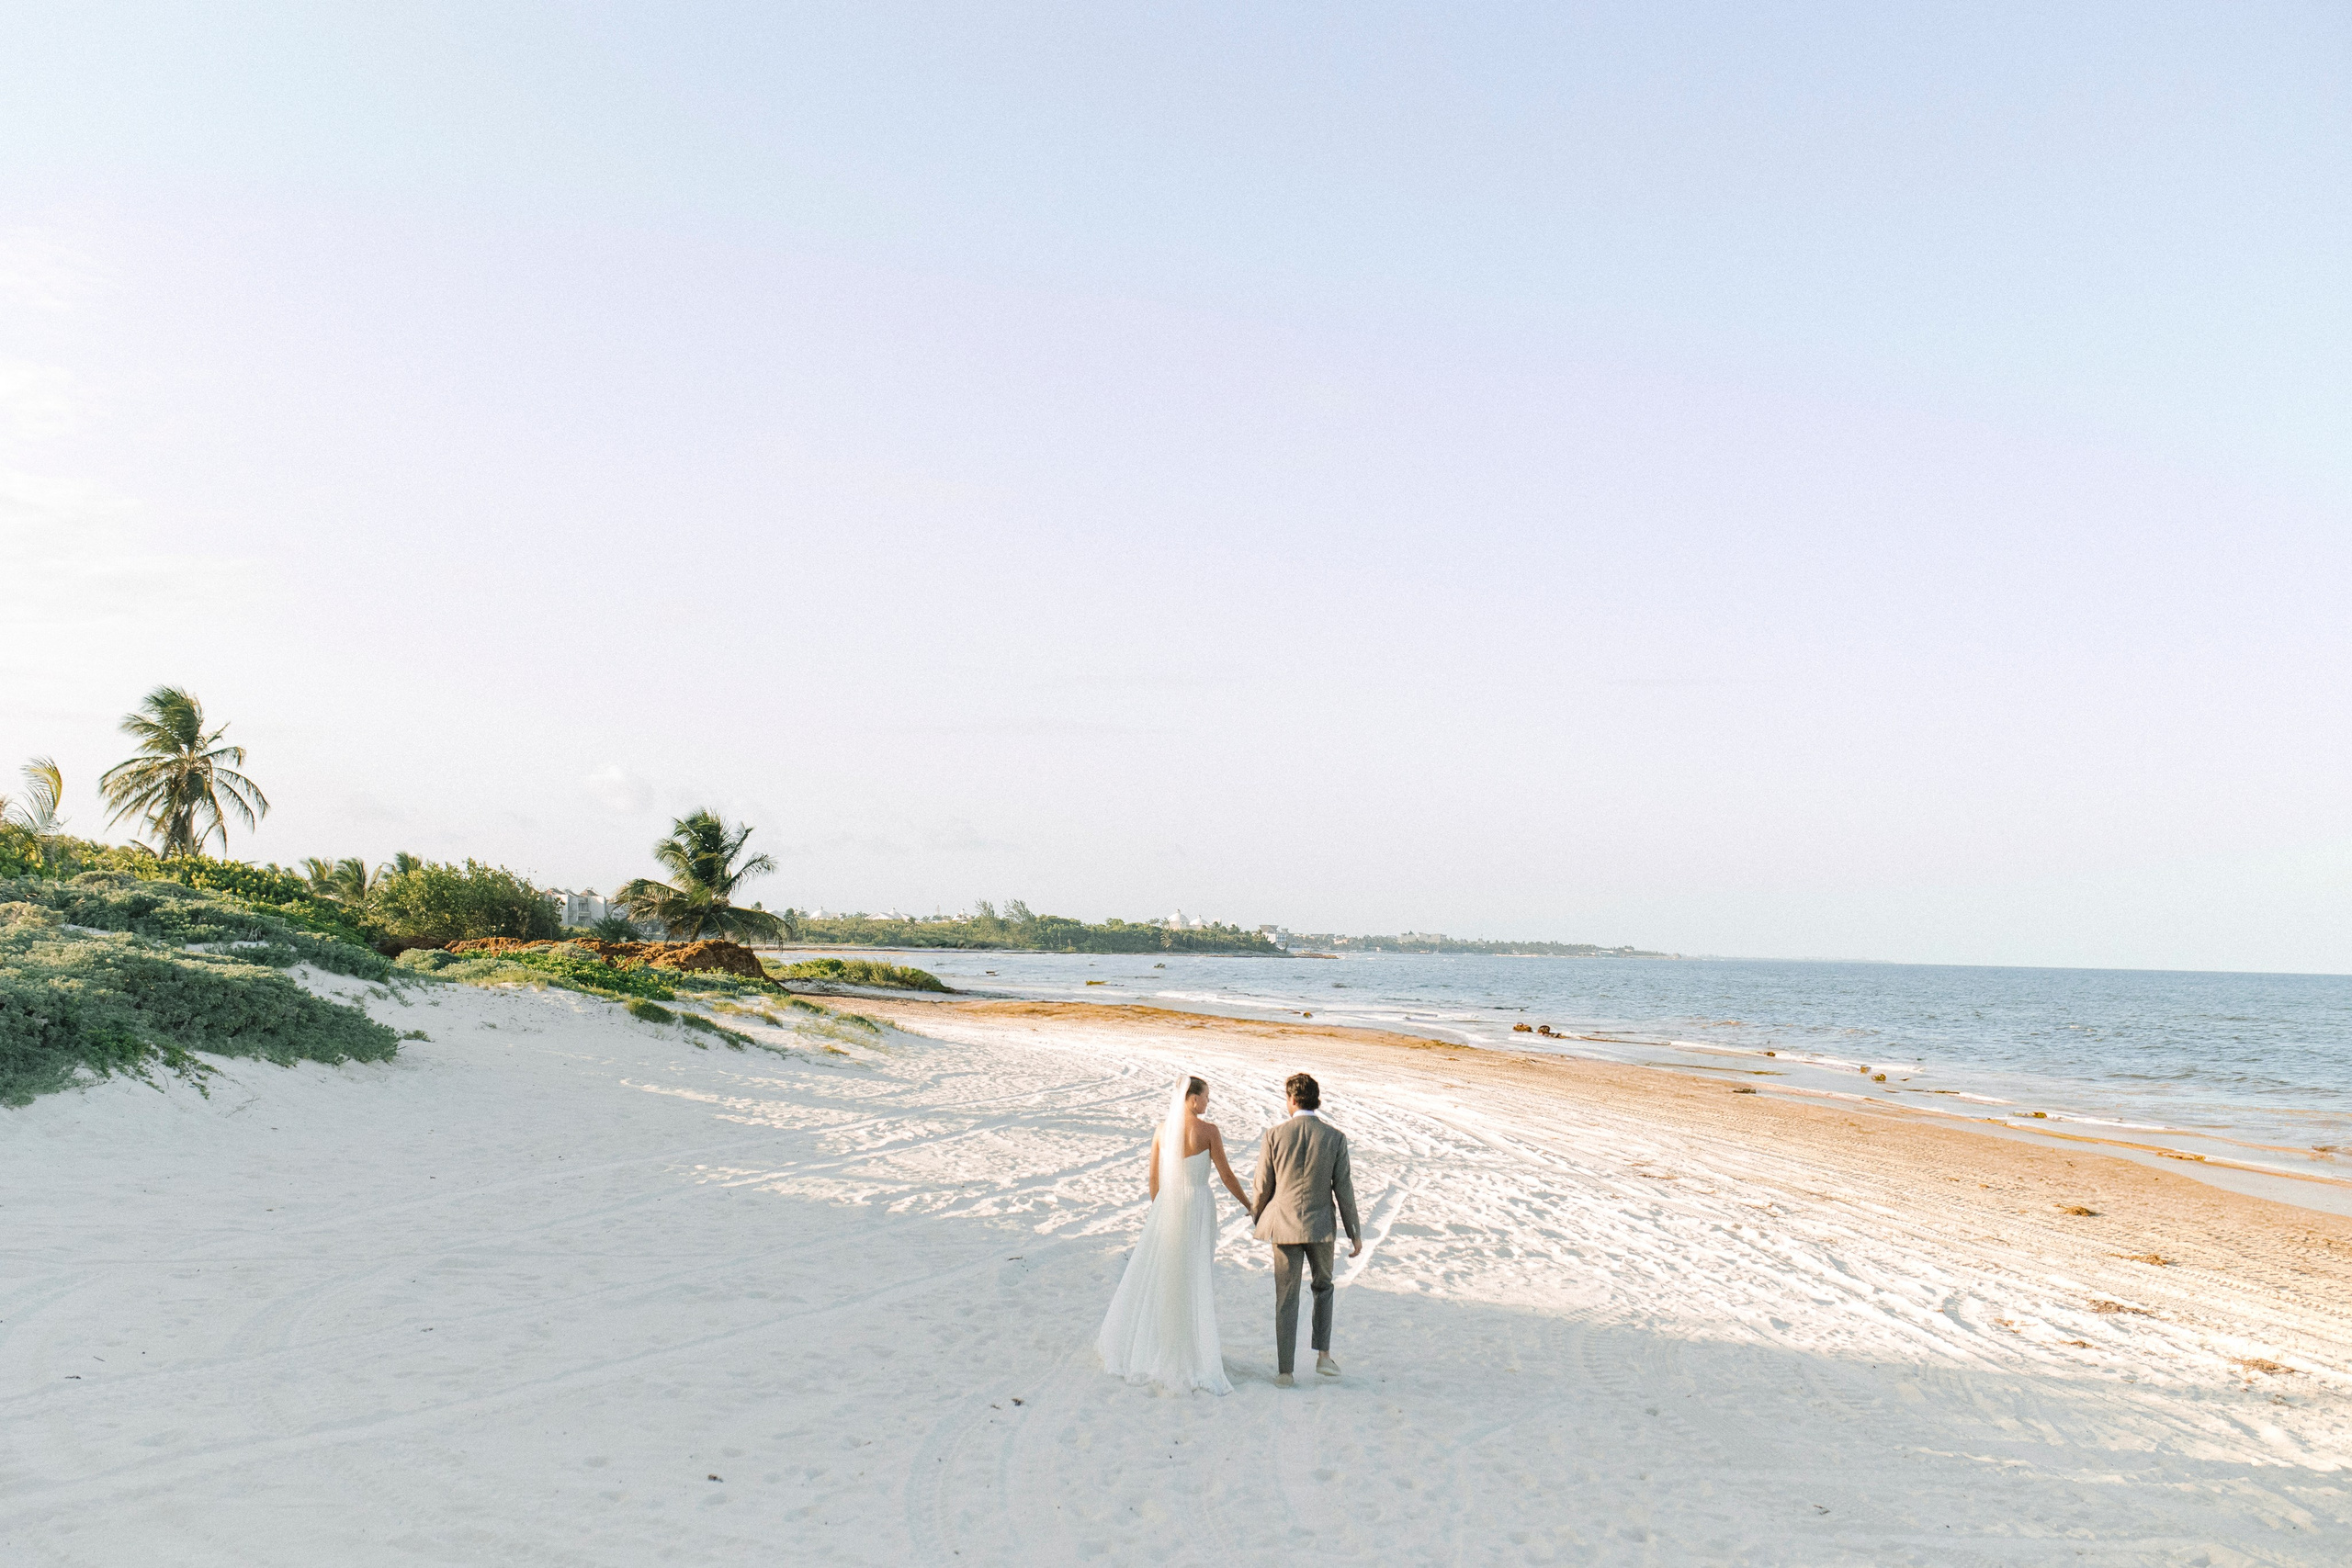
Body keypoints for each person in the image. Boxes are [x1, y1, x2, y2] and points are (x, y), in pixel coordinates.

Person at [1095, 1074, 1249, 1394]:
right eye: (1206, 1096)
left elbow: (1154, 1179)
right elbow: (1226, 1175)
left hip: (1167, 1206)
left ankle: (1155, 1345)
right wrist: (1249, 1203)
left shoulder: (1162, 1131)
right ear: (1192, 1099)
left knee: (1163, 1276)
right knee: (1194, 1277)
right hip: (1198, 1206)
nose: (1207, 1102)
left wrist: (1160, 1210)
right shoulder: (1208, 1131)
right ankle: (1192, 1349)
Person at [1249, 1071, 1362, 1387]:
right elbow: (1344, 1189)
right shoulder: (1334, 1137)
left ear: (1293, 1099)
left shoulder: (1274, 1135)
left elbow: (1262, 1185)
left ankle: (1286, 1371)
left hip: (1283, 1226)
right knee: (1323, 1288)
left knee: (1286, 1297)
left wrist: (1258, 1216)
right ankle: (1323, 1355)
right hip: (1321, 1226)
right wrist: (1354, 1231)